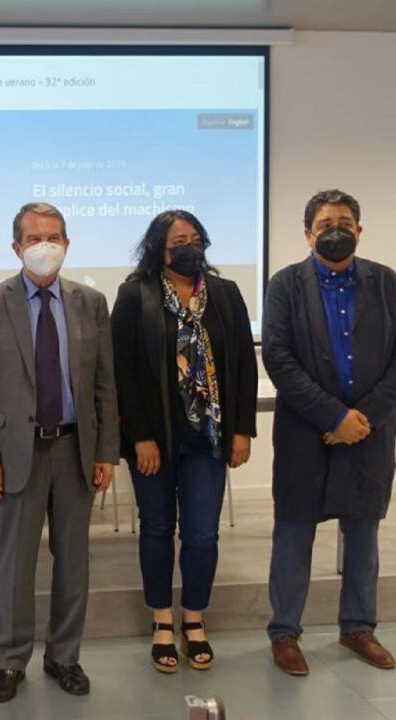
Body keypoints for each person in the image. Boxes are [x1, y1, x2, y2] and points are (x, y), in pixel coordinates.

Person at [0, 202, 119, 703]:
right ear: (16, 248)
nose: (44, 246)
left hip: (76, 449)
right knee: (14, 563)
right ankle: (10, 660)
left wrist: (106, 453)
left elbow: (104, 385)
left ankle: (64, 656)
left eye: (53, 237)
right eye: (34, 239)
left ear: (68, 244)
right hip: (15, 453)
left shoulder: (91, 302)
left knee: (74, 560)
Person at [262, 189, 396, 676]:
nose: (336, 229)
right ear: (306, 233)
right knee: (293, 534)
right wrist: (333, 417)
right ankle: (285, 633)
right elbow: (279, 358)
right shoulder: (285, 285)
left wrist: (361, 418)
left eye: (345, 221)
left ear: (359, 230)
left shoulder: (386, 282)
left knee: (363, 531)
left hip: (369, 432)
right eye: (326, 222)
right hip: (304, 432)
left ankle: (358, 628)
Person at [111, 210, 258, 673]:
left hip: (208, 440)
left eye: (196, 238)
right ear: (159, 248)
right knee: (156, 529)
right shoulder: (136, 294)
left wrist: (241, 429)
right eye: (179, 241)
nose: (190, 247)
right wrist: (140, 438)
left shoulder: (226, 294)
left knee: (201, 534)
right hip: (154, 440)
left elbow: (243, 366)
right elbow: (123, 373)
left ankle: (193, 618)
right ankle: (160, 619)